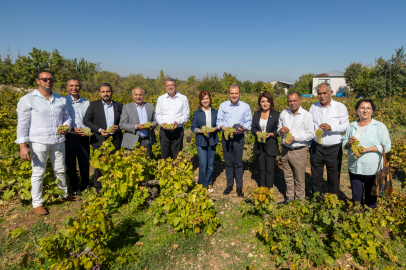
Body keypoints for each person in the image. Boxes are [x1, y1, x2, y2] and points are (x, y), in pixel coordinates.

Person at [15, 70, 80, 215]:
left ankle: (63, 195)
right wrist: (23, 146)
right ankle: (37, 204)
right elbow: (22, 125)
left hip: (58, 140)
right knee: (38, 172)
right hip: (39, 141)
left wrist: (66, 126)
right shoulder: (28, 100)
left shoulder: (60, 99)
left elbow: (67, 117)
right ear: (37, 81)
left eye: (50, 79)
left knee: (60, 169)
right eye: (44, 79)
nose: (48, 81)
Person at [342, 99, 391, 209]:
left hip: (372, 168)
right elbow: (344, 143)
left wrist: (368, 149)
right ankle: (357, 215)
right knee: (356, 195)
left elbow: (387, 147)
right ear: (357, 111)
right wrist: (349, 143)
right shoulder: (351, 126)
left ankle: (369, 218)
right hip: (355, 166)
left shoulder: (379, 126)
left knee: (371, 196)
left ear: (372, 111)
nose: (365, 110)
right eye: (362, 108)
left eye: (368, 108)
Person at [309, 83, 349, 200]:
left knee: (333, 177)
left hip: (334, 148)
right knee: (316, 176)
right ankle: (318, 200)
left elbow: (346, 125)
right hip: (317, 147)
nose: (322, 96)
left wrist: (331, 127)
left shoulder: (340, 107)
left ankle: (333, 201)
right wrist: (311, 144)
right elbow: (310, 125)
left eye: (324, 93)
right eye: (319, 93)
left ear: (330, 93)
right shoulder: (313, 107)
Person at [83, 83, 123, 194]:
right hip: (99, 139)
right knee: (99, 165)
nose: (106, 94)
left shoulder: (118, 106)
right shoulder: (93, 105)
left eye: (108, 91)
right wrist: (99, 130)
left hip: (115, 140)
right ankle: (99, 188)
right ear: (100, 93)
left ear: (111, 93)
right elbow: (86, 120)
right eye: (103, 92)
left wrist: (118, 127)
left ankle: (112, 185)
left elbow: (123, 122)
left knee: (114, 163)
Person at [277, 92, 314, 204]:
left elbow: (311, 134)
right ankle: (289, 197)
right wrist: (280, 131)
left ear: (300, 101)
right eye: (290, 101)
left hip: (298, 151)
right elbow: (278, 129)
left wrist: (295, 138)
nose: (292, 103)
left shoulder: (306, 115)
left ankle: (299, 201)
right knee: (287, 175)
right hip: (285, 149)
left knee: (299, 177)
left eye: (294, 101)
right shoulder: (284, 113)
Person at [217, 84, 252, 197]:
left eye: (236, 93)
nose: (234, 95)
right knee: (228, 163)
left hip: (238, 137)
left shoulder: (245, 106)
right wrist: (223, 128)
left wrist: (242, 129)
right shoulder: (223, 106)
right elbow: (219, 121)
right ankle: (229, 185)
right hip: (226, 137)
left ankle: (239, 187)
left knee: (238, 163)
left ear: (239, 94)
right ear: (229, 94)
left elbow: (248, 122)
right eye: (232, 93)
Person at [64, 79, 91, 197]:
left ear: (80, 87)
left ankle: (86, 184)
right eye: (71, 86)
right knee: (70, 163)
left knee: (84, 161)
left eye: (77, 85)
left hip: (84, 137)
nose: (74, 88)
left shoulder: (86, 102)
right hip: (69, 136)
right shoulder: (62, 101)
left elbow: (90, 119)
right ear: (67, 87)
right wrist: (71, 128)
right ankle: (75, 187)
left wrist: (89, 129)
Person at [251, 92, 280, 189]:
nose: (265, 103)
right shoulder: (256, 114)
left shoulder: (276, 114)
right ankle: (262, 189)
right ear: (259, 103)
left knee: (269, 170)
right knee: (262, 169)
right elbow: (253, 128)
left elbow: (279, 129)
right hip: (260, 146)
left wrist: (272, 134)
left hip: (270, 146)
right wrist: (257, 133)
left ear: (271, 102)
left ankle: (269, 190)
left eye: (267, 101)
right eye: (263, 101)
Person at [191, 91, 219, 192]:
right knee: (203, 164)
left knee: (210, 164)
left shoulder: (215, 112)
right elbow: (193, 127)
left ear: (210, 99)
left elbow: (219, 126)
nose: (205, 101)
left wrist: (214, 129)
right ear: (200, 100)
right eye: (203, 99)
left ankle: (209, 183)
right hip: (201, 140)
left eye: (207, 98)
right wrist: (200, 131)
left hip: (212, 140)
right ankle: (202, 184)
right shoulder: (196, 113)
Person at [155, 78, 190, 159]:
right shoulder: (161, 98)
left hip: (178, 130)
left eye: (172, 85)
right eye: (168, 85)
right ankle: (165, 171)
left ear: (176, 86)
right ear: (165, 87)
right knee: (164, 155)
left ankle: (177, 171)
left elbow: (186, 115)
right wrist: (162, 123)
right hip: (164, 130)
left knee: (177, 155)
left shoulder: (183, 98)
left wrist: (177, 122)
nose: (170, 87)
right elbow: (158, 114)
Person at [119, 87, 157, 157]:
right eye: (136, 95)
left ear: (144, 96)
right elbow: (122, 124)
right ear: (132, 96)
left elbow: (155, 120)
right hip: (132, 141)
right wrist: (136, 127)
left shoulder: (150, 106)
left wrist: (152, 125)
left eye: (140, 95)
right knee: (132, 164)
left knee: (146, 163)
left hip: (147, 140)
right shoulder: (126, 107)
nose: (138, 97)